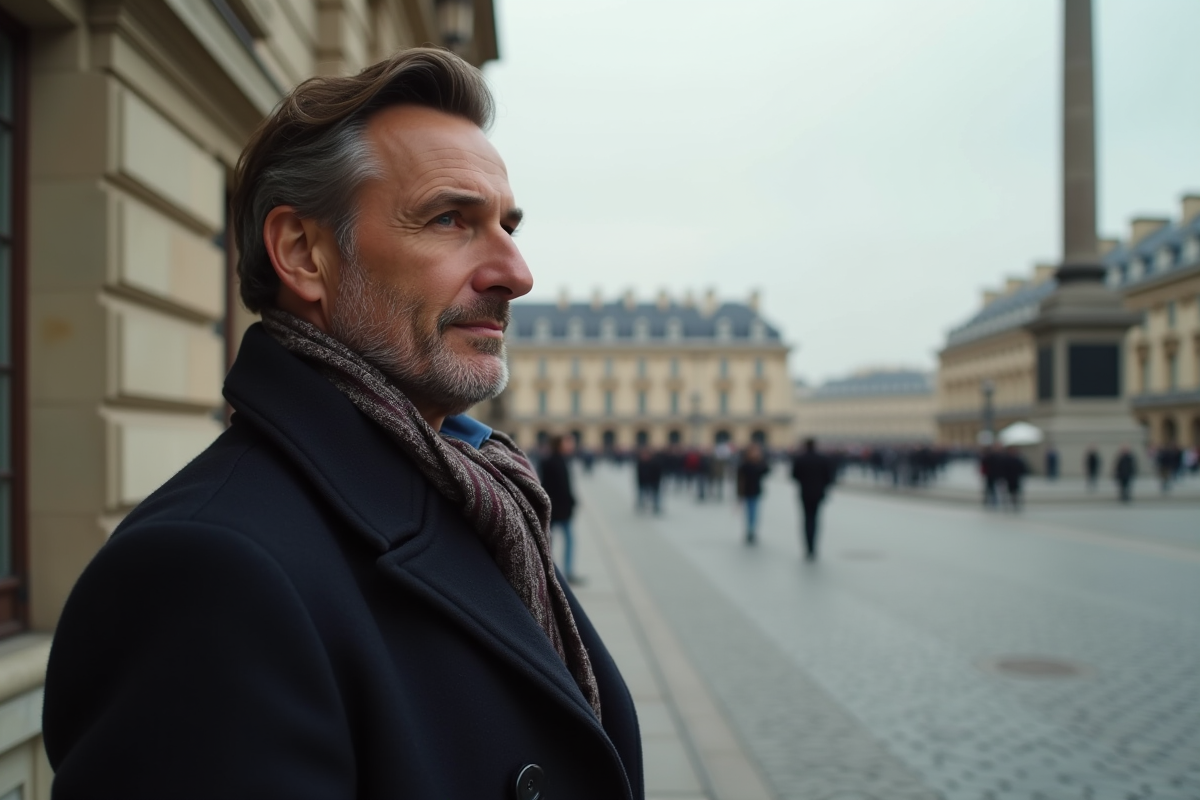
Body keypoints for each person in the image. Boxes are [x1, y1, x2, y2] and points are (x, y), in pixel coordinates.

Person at [42, 48, 643, 800]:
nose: (515, 273)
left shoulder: (484, 496)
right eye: (450, 219)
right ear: (303, 254)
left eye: (507, 225)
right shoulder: (207, 575)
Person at [540, 434, 582, 583]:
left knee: (557, 540)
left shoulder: (557, 460)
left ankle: (555, 573)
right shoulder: (552, 461)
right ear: (559, 444)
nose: (571, 445)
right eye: (568, 442)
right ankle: (555, 572)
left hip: (560, 508)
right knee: (554, 541)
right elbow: (550, 487)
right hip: (557, 509)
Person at [790, 438, 834, 560]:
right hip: (819, 493)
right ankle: (814, 547)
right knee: (815, 519)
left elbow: (794, 476)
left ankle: (808, 547)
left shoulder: (800, 458)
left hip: (804, 492)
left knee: (806, 519)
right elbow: (829, 477)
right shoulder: (823, 459)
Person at [736, 443, 770, 544]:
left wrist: (761, 459)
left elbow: (766, 471)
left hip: (756, 490)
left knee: (754, 512)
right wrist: (738, 493)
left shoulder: (759, 463)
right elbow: (739, 479)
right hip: (747, 491)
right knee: (751, 512)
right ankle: (750, 530)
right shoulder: (745, 464)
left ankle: (751, 530)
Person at [635, 445, 663, 514]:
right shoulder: (640, 463)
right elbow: (638, 473)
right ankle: (641, 505)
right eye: (643, 455)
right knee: (641, 494)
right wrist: (639, 481)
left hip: (654, 482)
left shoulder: (655, 463)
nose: (644, 456)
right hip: (643, 482)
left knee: (655, 495)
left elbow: (658, 473)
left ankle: (656, 507)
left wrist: (657, 482)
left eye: (646, 455)